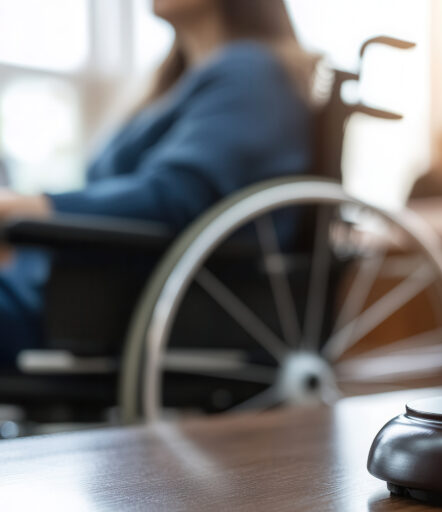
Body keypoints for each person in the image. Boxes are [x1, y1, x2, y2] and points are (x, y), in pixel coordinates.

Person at [0, 0, 313, 366]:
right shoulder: (177, 88)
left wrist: (29, 207)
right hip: (73, 291)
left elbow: (174, 198)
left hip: (111, 305)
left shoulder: (251, 74)